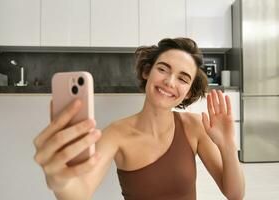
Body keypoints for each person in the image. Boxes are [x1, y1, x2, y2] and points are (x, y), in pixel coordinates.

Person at [33, 38, 245, 200]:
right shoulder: (116, 134)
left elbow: (234, 194)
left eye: (182, 78)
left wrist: (227, 145)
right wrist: (60, 181)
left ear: (188, 92)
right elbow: (80, 191)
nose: (170, 82)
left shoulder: (194, 126)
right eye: (163, 69)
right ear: (147, 72)